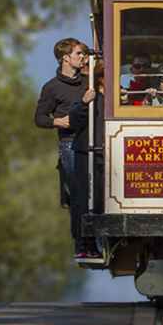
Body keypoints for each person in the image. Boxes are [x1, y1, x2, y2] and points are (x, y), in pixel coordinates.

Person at [34, 37, 87, 209]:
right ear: (65, 57)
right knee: (77, 196)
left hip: (91, 142)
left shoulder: (89, 82)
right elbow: (39, 118)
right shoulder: (51, 87)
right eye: (78, 53)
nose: (83, 57)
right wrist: (58, 122)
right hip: (69, 144)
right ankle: (79, 235)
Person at [69, 59, 104, 259]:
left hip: (105, 152)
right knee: (83, 199)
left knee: (99, 199)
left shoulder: (114, 99)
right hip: (86, 151)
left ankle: (95, 243)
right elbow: (73, 120)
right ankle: (83, 245)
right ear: (101, 79)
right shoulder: (89, 95)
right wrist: (84, 102)